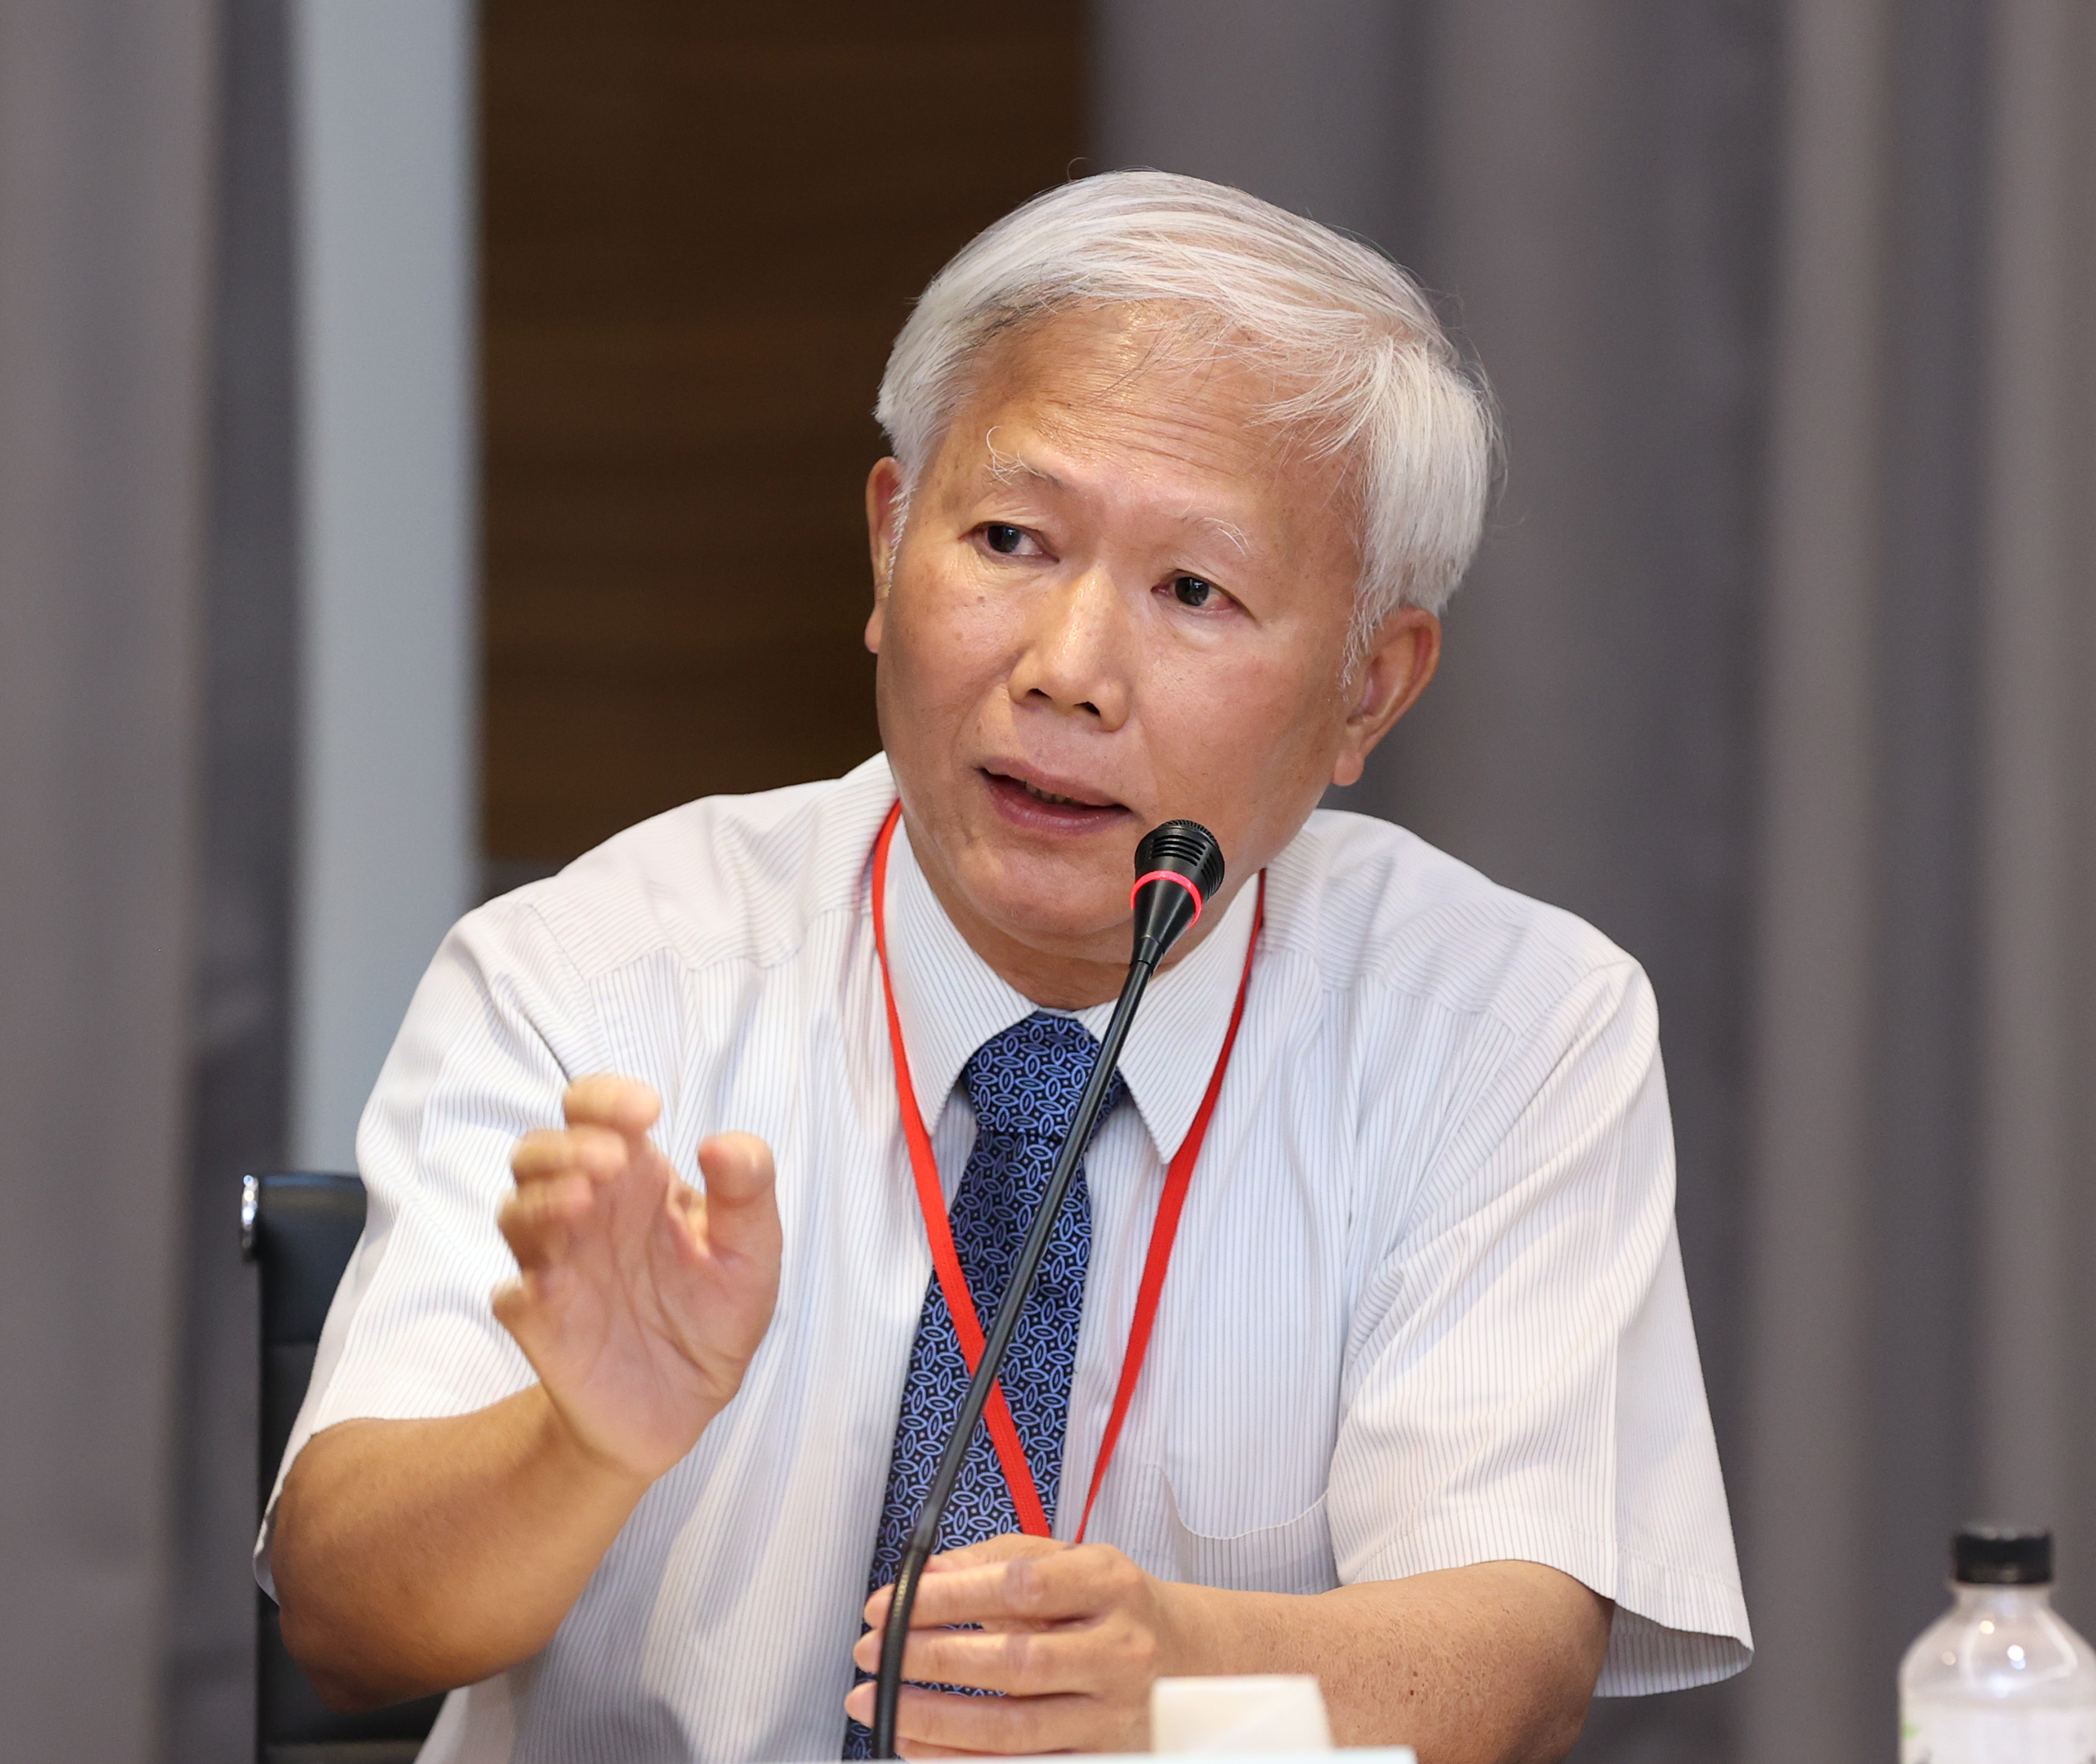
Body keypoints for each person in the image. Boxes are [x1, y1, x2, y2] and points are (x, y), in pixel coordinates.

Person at [263, 171, 1750, 1764]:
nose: (1068, 672)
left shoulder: (1506, 1025)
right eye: (1009, 540)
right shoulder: (596, 969)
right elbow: (347, 1617)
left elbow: (1515, 1659)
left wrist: (1177, 1668)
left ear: (1365, 690)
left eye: (1194, 591)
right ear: (888, 542)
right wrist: (578, 1447)